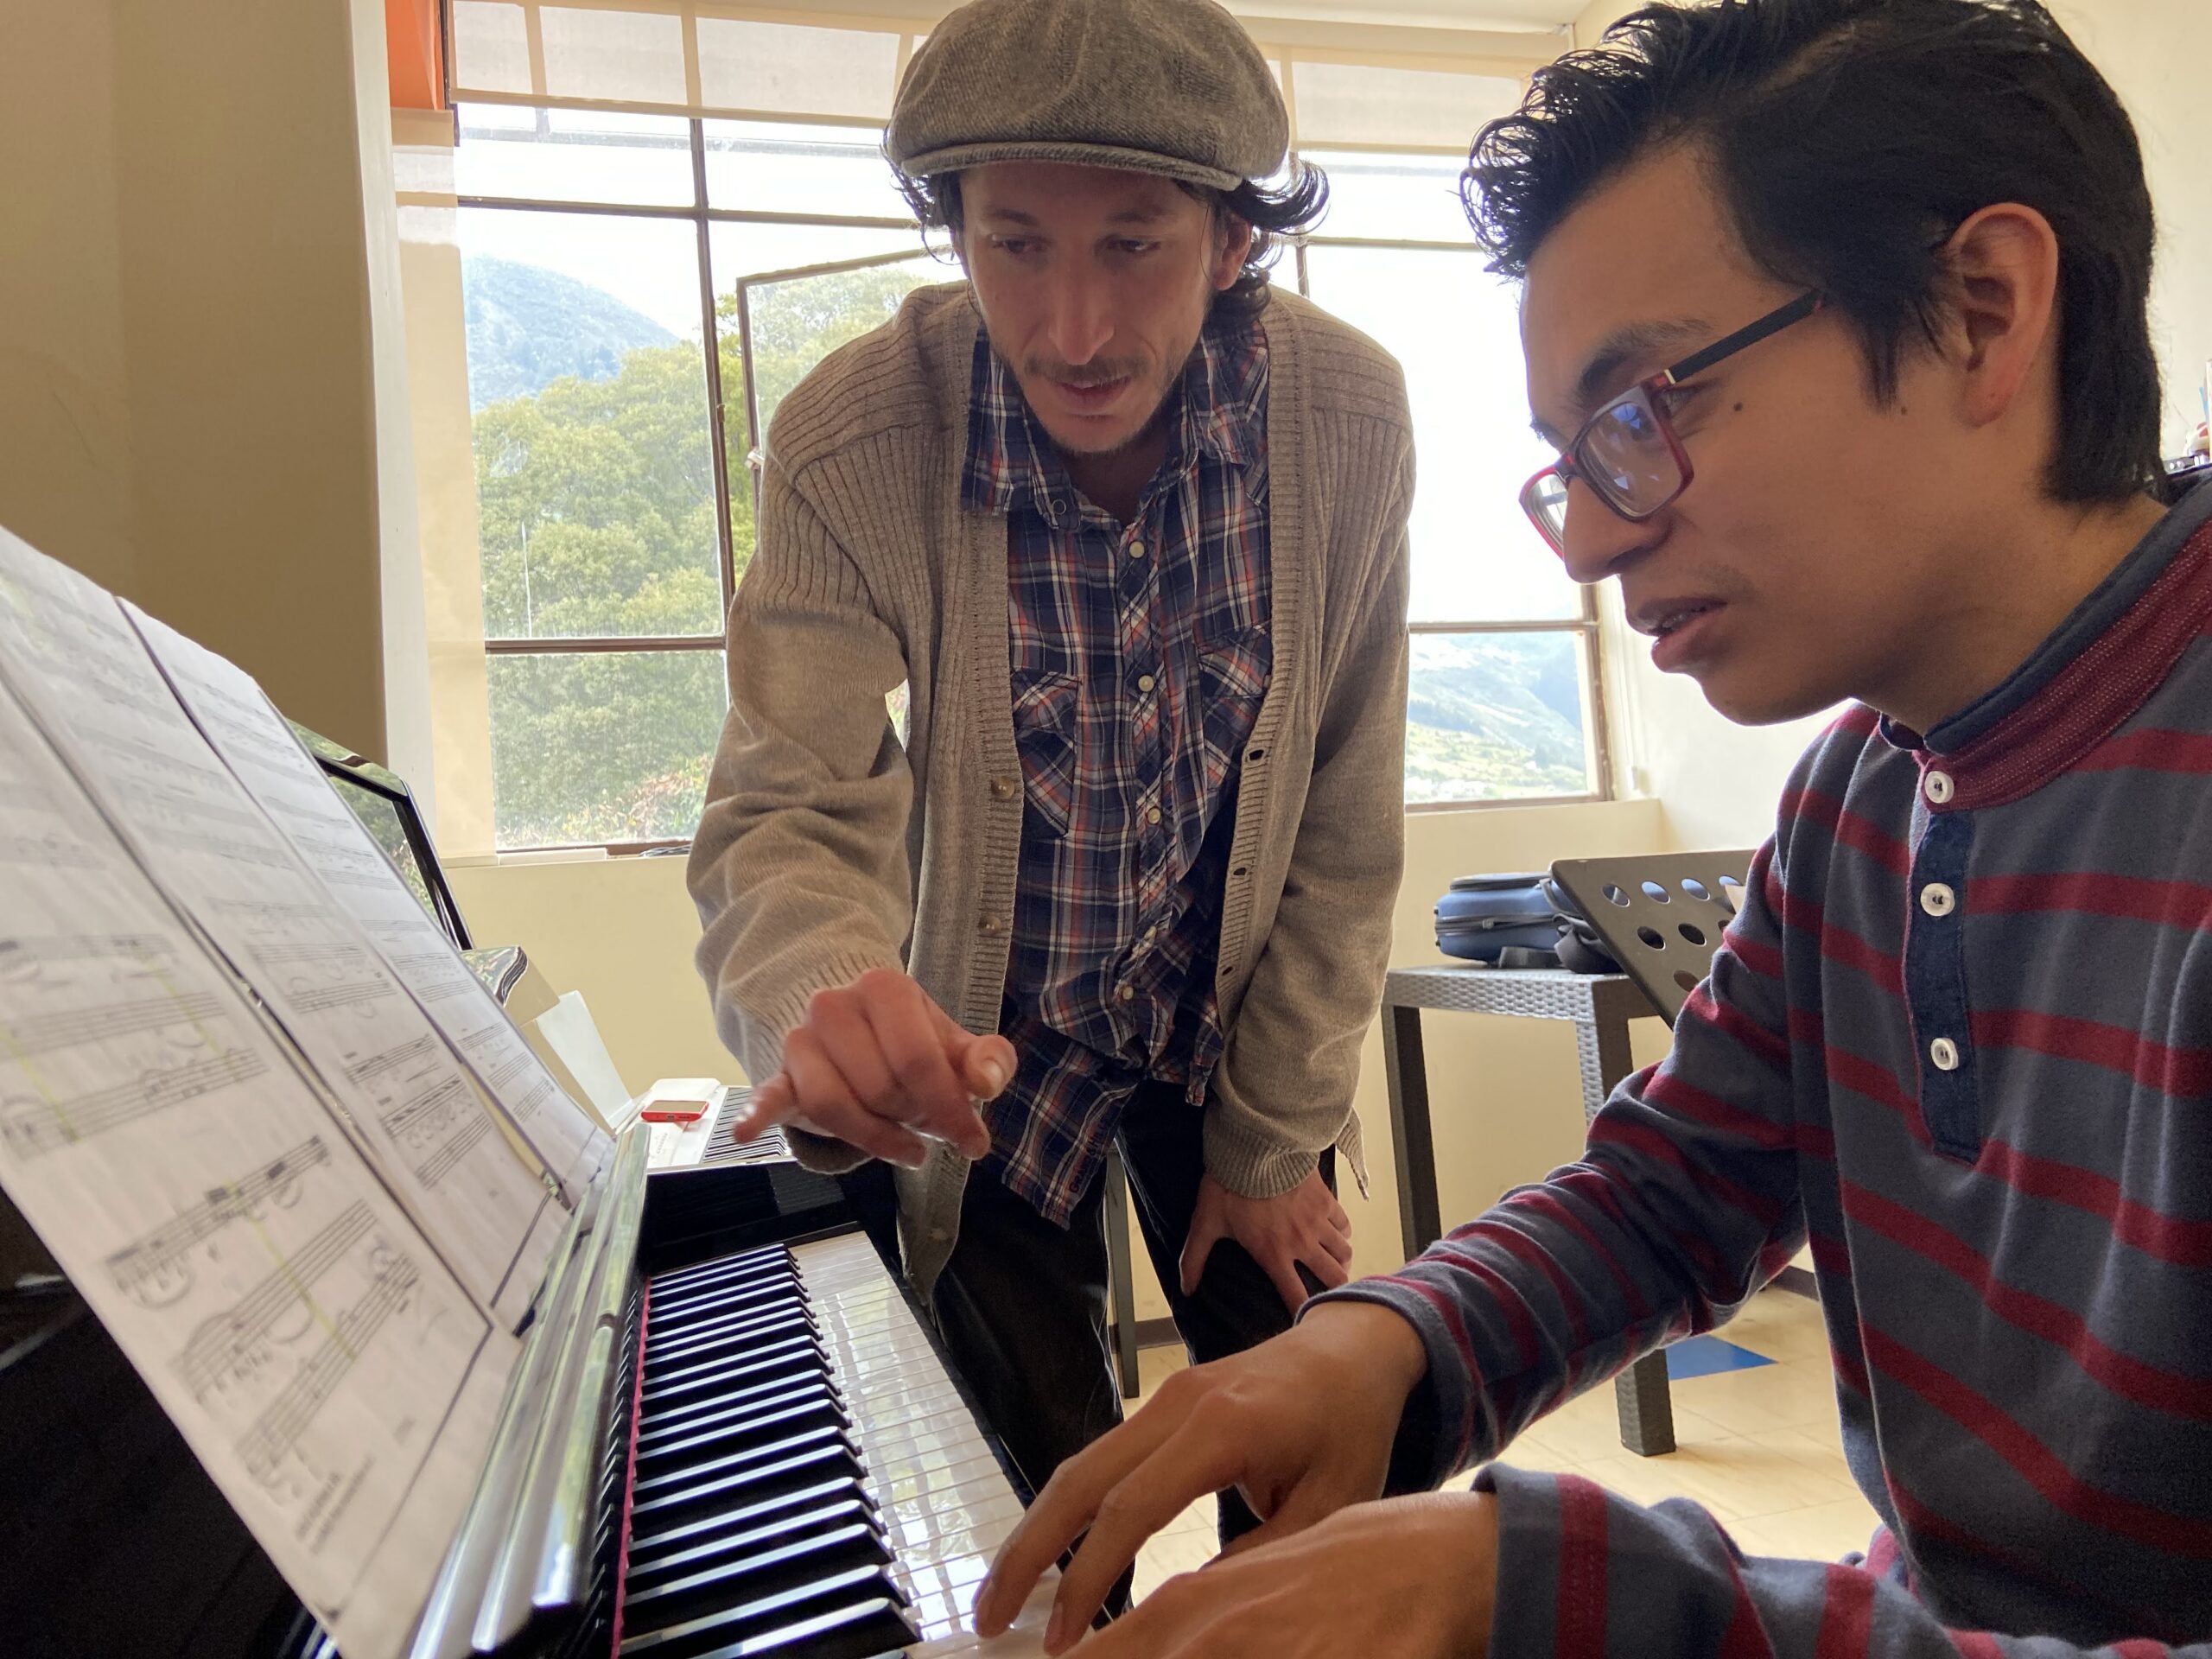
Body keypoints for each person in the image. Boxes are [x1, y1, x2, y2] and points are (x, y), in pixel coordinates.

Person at [972, 0, 2212, 1652]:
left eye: (1641, 412)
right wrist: (1384, 1346)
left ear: (1981, 311)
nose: (1589, 544)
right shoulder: (1860, 794)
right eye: (1572, 459)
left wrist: (1563, 1600)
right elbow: (1673, 1189)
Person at [683, 0, 1414, 1575]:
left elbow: (1344, 819)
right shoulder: (853, 442)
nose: (1075, 331)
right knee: (1039, 1526)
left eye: (1134, 245)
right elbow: (783, 806)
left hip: (1230, 1029)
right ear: (954, 229)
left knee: (1317, 1492)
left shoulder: (1348, 419)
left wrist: (1272, 1146)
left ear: (1232, 239)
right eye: (1015, 245)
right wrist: (827, 988)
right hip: (988, 1058)